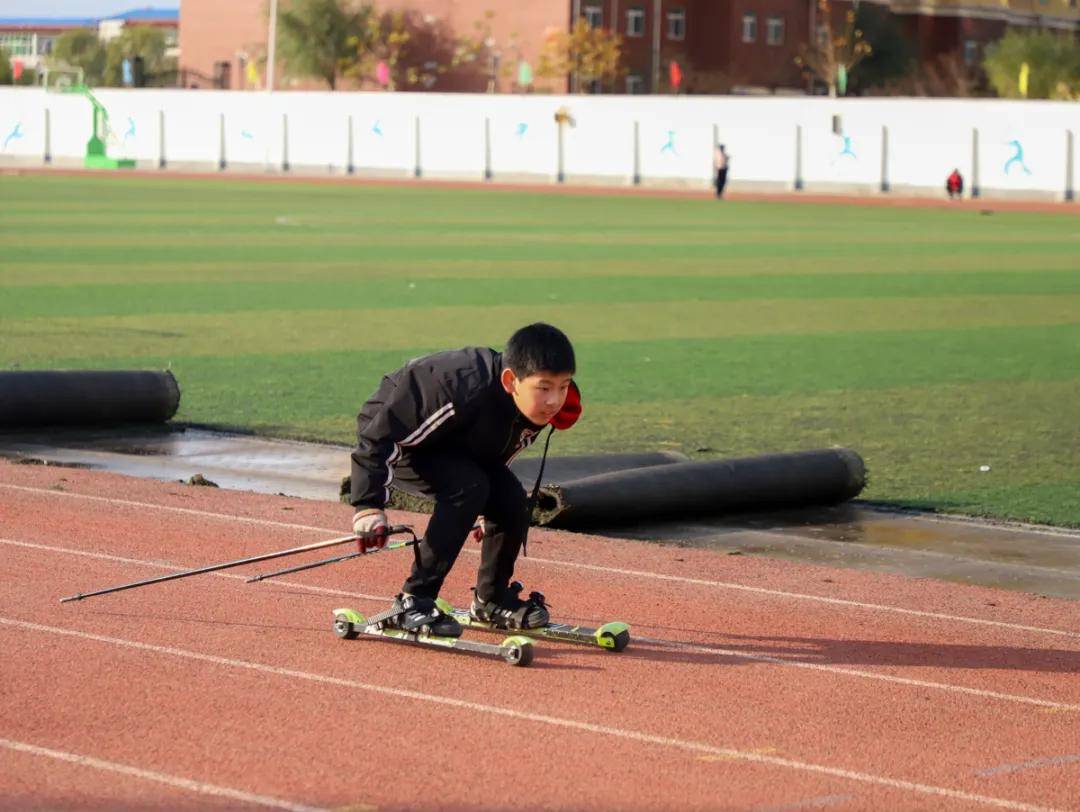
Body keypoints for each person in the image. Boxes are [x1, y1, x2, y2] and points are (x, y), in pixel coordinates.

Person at [349, 323, 582, 637]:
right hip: (404, 436)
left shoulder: (544, 403)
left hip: (459, 444)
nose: (555, 400)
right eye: (544, 387)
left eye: (564, 385)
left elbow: (502, 447)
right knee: (468, 487)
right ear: (511, 381)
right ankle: (414, 601)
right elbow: (380, 437)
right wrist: (367, 506)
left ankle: (492, 600)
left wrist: (490, 510)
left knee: (511, 498)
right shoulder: (458, 387)